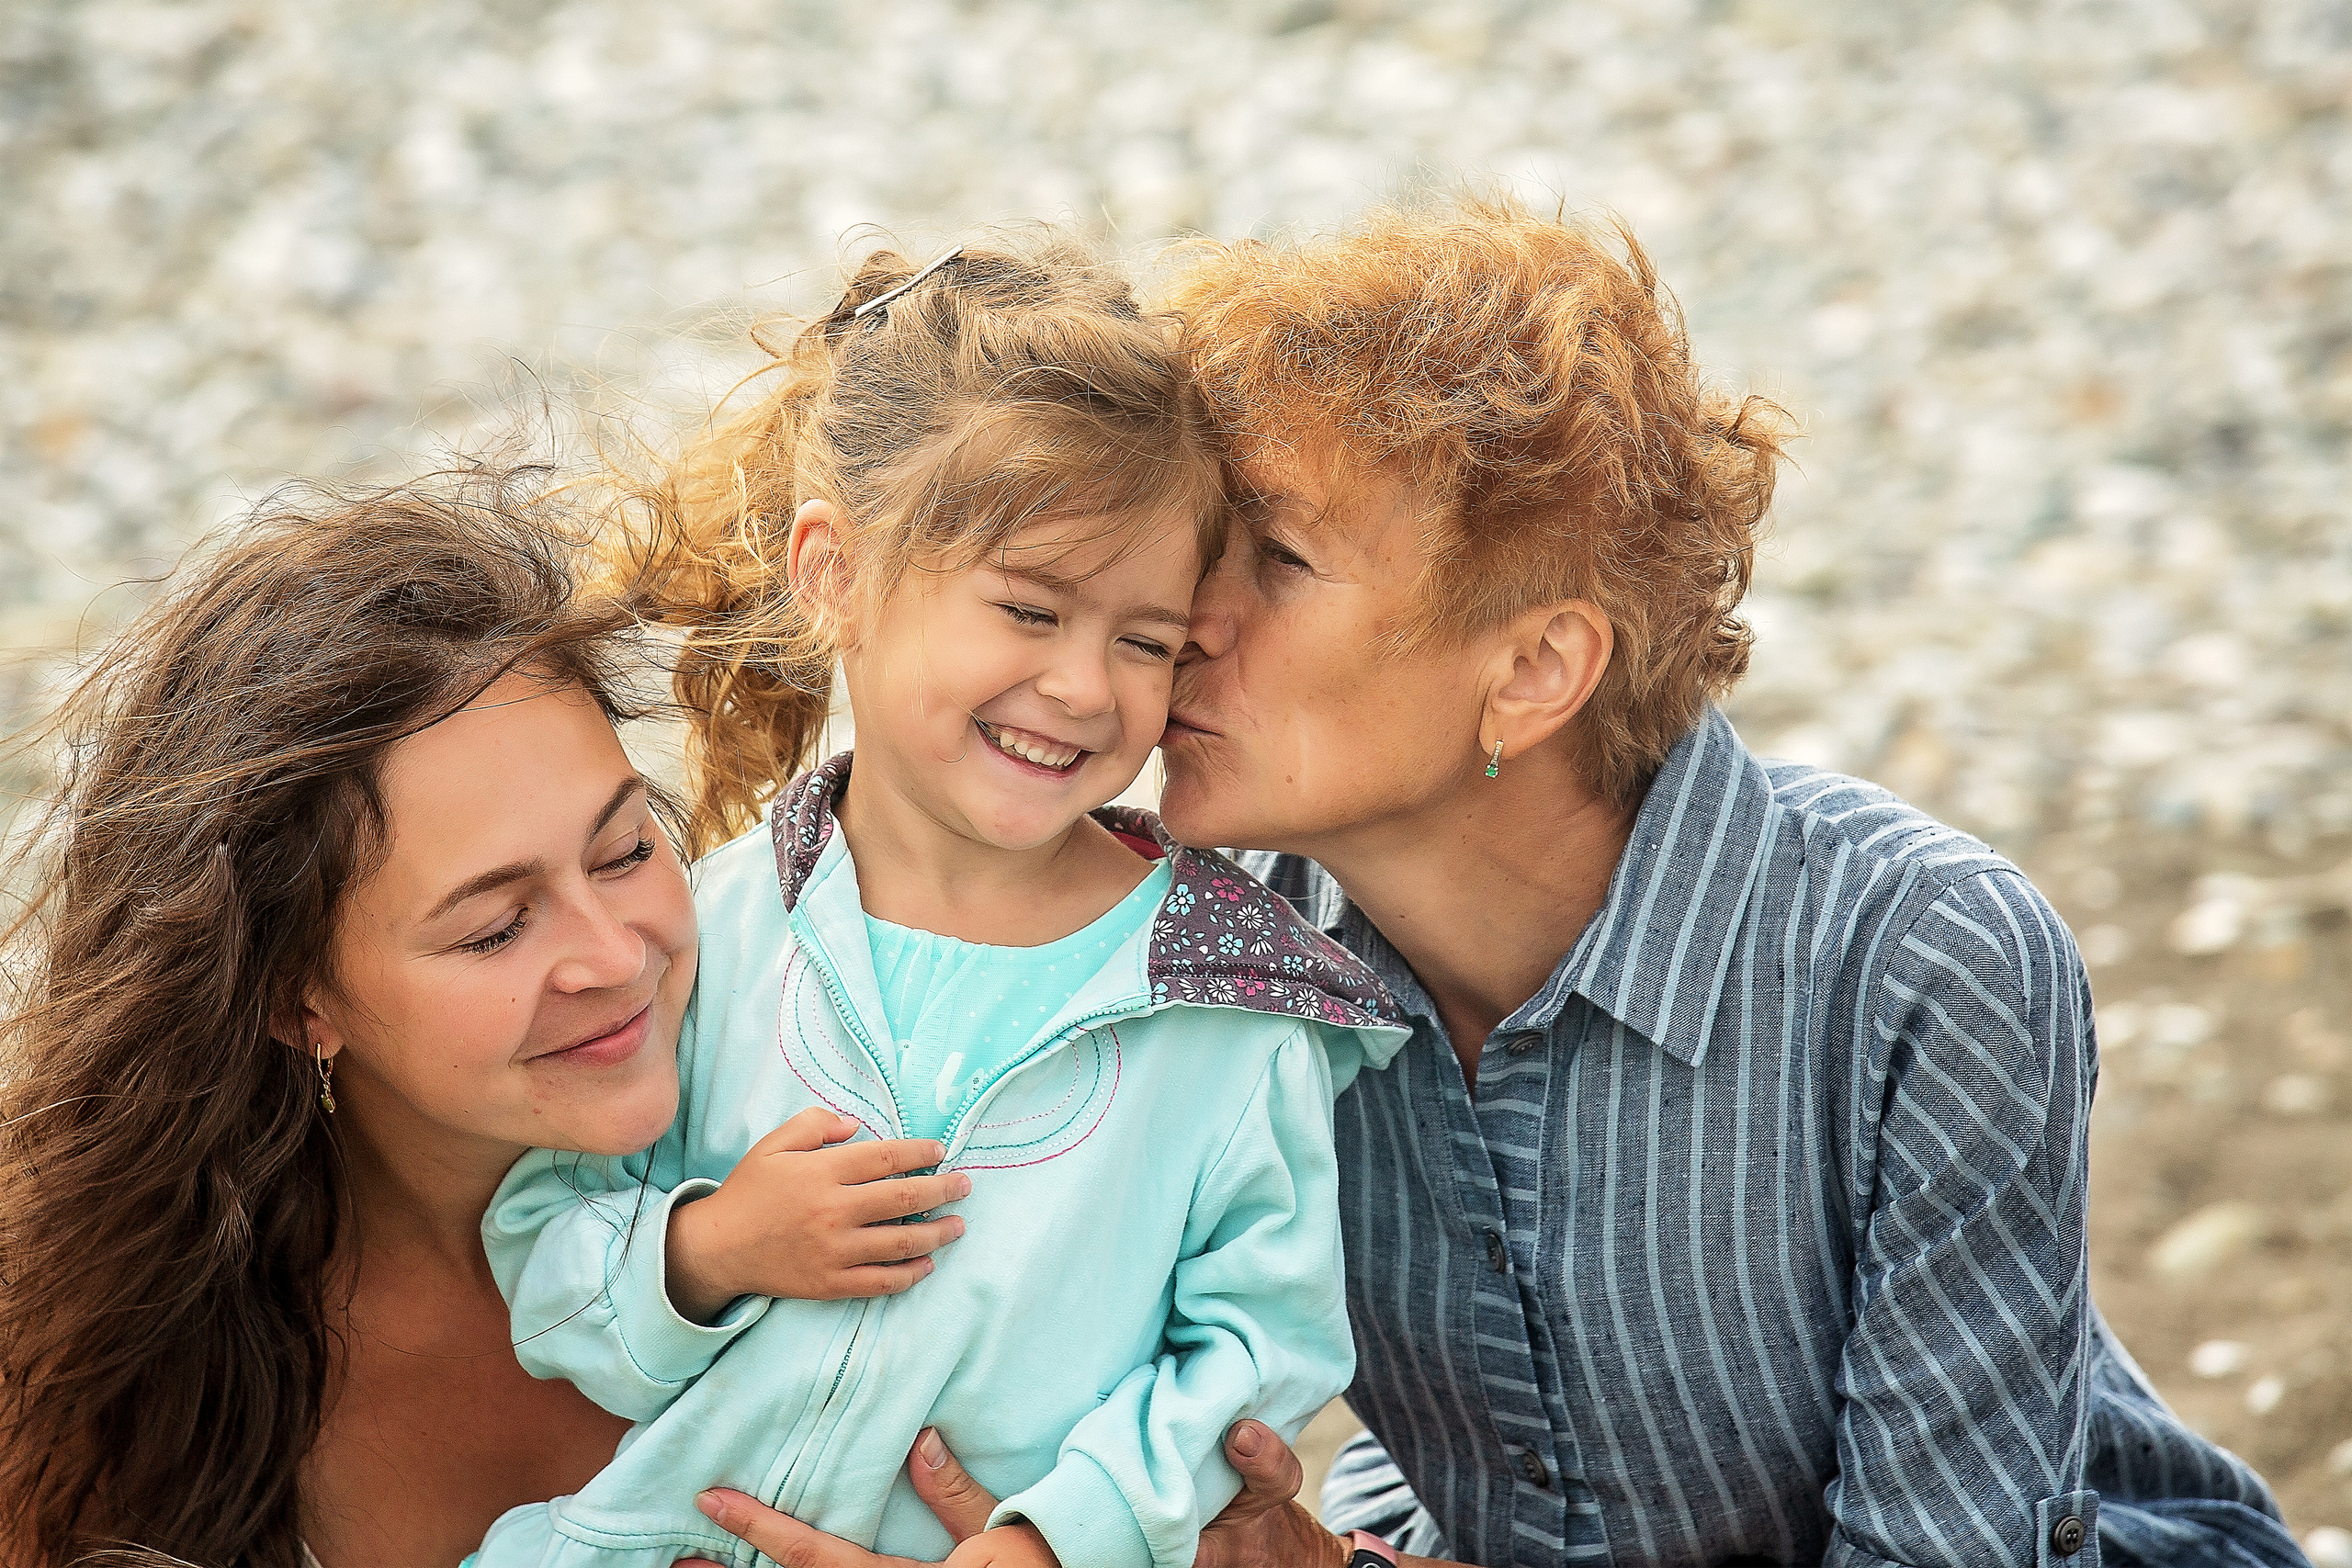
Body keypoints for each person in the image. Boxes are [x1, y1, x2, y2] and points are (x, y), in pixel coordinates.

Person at [691, 199, 2312, 1568]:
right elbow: (1449, 1444)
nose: (1183, 618)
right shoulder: (1240, 955)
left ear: (1534, 668)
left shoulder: (1915, 957)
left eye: (1276, 557)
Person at [469, 237, 1408, 1568]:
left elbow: (1263, 1349)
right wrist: (709, 1246)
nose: (1086, 687)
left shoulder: (1227, 1001)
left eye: (1143, 639)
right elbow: (544, 1242)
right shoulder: (716, 932)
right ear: (835, 574)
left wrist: (1055, 1539)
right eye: (1029, 609)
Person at [0, 471, 732, 1568]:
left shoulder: (843, 1077)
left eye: (625, 850)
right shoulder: (91, 1363)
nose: (617, 956)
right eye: (494, 928)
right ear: (298, 1000)